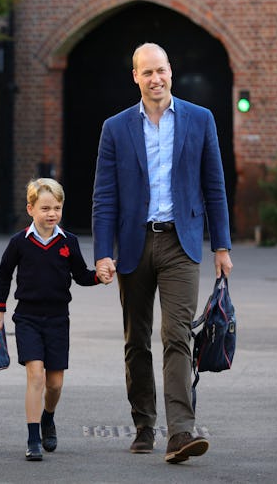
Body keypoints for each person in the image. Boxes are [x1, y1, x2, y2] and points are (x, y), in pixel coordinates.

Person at [92, 42, 233, 464]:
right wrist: (102, 253)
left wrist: (221, 245)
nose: (156, 79)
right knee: (136, 340)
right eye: (147, 72)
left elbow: (215, 186)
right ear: (135, 77)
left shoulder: (199, 119)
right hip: (134, 244)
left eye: (162, 70)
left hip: (181, 243)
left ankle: (180, 433)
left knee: (177, 336)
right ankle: (143, 422)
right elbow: (104, 197)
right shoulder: (115, 128)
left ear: (171, 71)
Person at [0, 178, 109, 461]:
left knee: (54, 384)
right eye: (44, 208)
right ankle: (32, 439)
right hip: (27, 318)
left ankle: (48, 417)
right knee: (36, 374)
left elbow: (81, 275)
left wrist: (98, 278)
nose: (51, 213)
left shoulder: (69, 242)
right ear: (30, 209)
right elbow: (4, 275)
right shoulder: (19, 242)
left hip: (57, 319)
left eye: (56, 207)